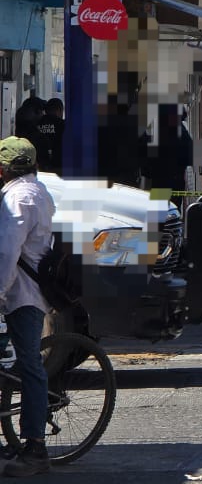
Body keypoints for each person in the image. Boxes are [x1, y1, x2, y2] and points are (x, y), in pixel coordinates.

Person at [0, 137, 55, 476]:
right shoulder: (37, 190)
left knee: (30, 365)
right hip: (23, 291)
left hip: (21, 294)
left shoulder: (19, 198)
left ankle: (36, 447)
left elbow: (7, 252)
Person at [34, 99, 63, 176]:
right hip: (58, 167)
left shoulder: (35, 124)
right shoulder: (63, 124)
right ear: (59, 110)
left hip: (38, 166)